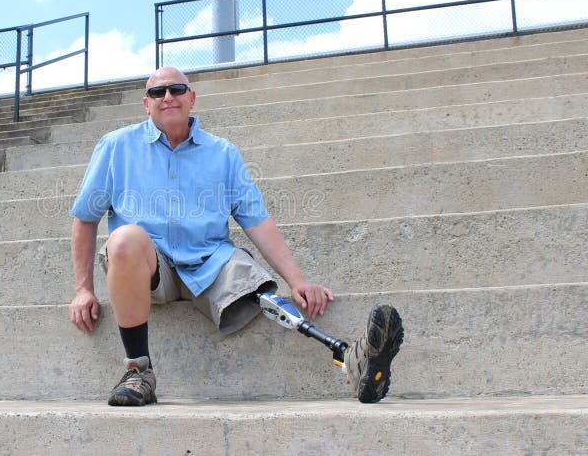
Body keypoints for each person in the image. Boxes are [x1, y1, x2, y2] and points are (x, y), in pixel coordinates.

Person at [69, 66, 403, 406]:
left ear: (192, 98)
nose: (167, 97)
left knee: (258, 286)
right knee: (123, 239)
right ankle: (138, 372)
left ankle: (350, 357)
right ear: (146, 103)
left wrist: (297, 279)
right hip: (151, 271)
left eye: (177, 89)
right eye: (158, 92)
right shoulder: (115, 147)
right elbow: (85, 218)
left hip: (210, 263)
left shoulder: (223, 153)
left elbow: (256, 220)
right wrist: (84, 290)